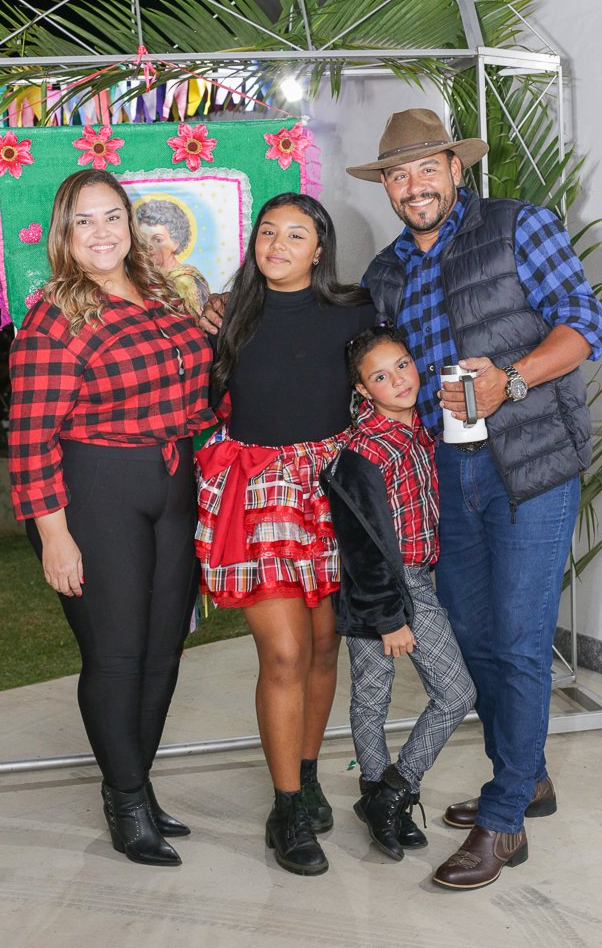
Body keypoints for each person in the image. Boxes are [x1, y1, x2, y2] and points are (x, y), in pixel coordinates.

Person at [346, 108, 602, 889]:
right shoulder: (385, 272)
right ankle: (524, 779)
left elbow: (583, 323)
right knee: (476, 639)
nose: (413, 183)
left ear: (457, 169)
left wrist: (513, 378)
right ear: (387, 188)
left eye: (428, 167)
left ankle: (503, 824)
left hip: (528, 467)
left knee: (521, 641)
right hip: (442, 480)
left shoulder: (518, 226)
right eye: (397, 173)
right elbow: (364, 359)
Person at [8, 168, 215, 868]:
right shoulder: (55, 313)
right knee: (116, 654)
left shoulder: (161, 294)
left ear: (132, 224)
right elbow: (29, 435)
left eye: (112, 217)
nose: (101, 233)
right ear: (66, 234)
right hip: (97, 487)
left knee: (163, 651)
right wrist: (54, 536)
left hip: (171, 477)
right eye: (84, 221)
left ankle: (137, 784)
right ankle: (125, 800)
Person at [194, 192, 375, 876]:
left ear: (318, 249)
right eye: (267, 232)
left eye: (294, 234)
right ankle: (286, 807)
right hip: (257, 492)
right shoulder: (227, 314)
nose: (276, 244)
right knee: (285, 653)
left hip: (329, 494)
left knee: (325, 647)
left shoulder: (354, 312)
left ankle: (306, 769)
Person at [320, 324, 476, 862]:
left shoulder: (419, 430)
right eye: (380, 377)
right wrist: (387, 616)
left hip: (416, 580)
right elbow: (361, 545)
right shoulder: (363, 452)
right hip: (381, 587)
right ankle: (378, 792)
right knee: (374, 692)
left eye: (402, 366)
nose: (398, 380)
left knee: (453, 693)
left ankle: (392, 793)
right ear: (363, 391)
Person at [136, 198, 210, 316]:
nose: (148, 246)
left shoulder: (184, 282)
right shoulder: (149, 277)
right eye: (143, 239)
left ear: (176, 242)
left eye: (158, 240)